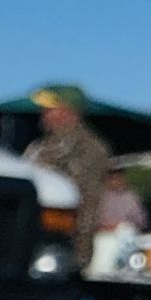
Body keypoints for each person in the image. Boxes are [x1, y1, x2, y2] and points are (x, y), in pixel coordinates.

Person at [23, 86, 112, 268]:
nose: (44, 114)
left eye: (50, 109)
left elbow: (85, 205)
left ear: (70, 111)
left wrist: (78, 259)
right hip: (28, 240)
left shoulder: (89, 149)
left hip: (61, 250)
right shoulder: (40, 145)